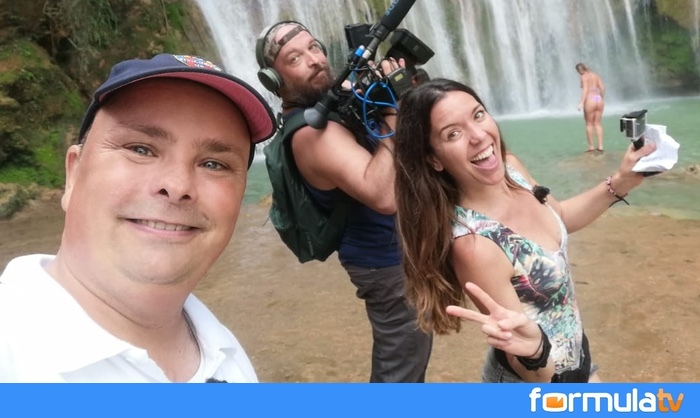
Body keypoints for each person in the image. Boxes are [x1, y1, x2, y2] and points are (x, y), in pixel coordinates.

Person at [0, 54, 276, 382]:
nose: (177, 186)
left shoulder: (226, 353)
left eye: (213, 164)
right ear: (73, 175)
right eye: (140, 149)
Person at [393, 78, 656, 383]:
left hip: (577, 359)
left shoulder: (512, 169)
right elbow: (523, 359)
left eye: (478, 115)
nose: (478, 136)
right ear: (434, 159)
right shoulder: (476, 246)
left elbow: (560, 218)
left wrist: (622, 180)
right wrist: (536, 351)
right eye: (453, 133)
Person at [255, 21, 432, 382]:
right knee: (400, 373)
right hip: (385, 264)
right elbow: (383, 194)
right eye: (294, 58)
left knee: (409, 360)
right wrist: (394, 108)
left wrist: (385, 91)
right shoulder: (310, 134)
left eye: (314, 48)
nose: (314, 60)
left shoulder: (331, 104)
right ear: (275, 81)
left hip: (397, 252)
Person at [576, 62, 606, 153]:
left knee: (589, 124)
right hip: (598, 98)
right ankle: (600, 146)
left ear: (579, 70)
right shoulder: (595, 75)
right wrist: (601, 98)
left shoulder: (584, 77)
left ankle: (591, 146)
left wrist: (581, 102)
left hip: (590, 99)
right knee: (598, 123)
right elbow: (602, 88)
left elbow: (585, 90)